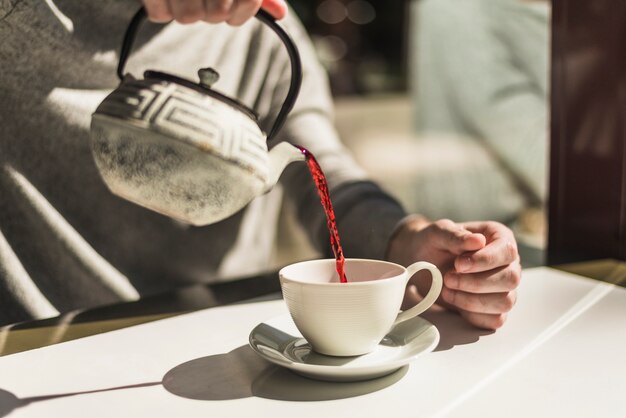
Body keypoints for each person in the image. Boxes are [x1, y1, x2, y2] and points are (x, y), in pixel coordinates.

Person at [0, 0, 520, 331]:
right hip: (35, 337)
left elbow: (315, 166)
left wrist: (406, 239)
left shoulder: (264, 27)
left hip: (213, 330)